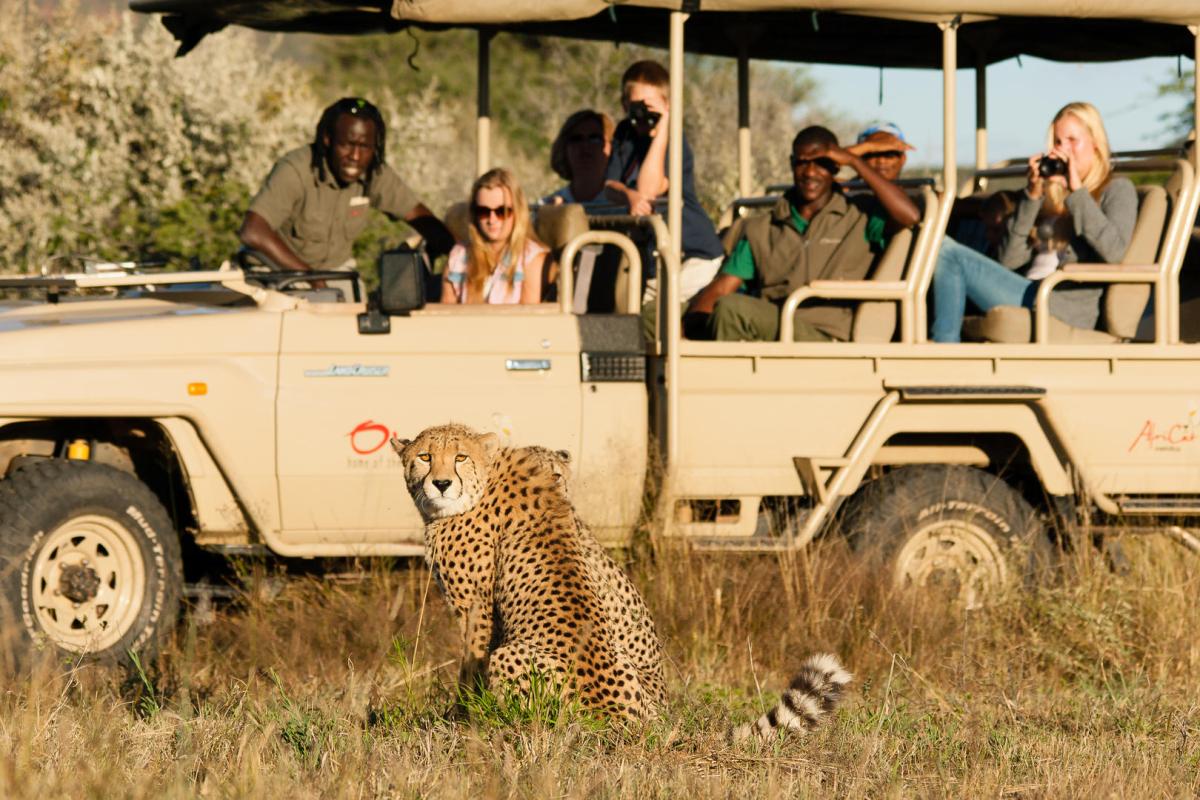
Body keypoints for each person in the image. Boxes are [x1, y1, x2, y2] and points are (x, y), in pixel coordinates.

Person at [686, 126, 920, 342]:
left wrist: (855, 161)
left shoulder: (860, 216)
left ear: (836, 167)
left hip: (825, 334)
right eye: (802, 163)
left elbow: (909, 216)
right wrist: (684, 328)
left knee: (732, 309)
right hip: (774, 326)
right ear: (792, 163)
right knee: (673, 312)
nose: (810, 173)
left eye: (821, 164)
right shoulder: (763, 227)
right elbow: (723, 287)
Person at [930, 102, 1136, 343]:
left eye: (1072, 140)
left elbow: (1114, 252)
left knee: (947, 252)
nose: (1064, 150)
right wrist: (1032, 195)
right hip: (1030, 290)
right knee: (937, 245)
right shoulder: (1052, 195)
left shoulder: (1117, 189)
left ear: (1095, 143)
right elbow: (1008, 260)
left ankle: (944, 349)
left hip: (1061, 304)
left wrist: (1077, 191)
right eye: (1058, 142)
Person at [239, 97, 453, 274]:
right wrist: (309, 278)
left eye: (365, 147)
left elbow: (417, 215)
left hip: (336, 274)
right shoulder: (295, 170)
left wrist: (460, 256)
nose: (355, 156)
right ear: (327, 139)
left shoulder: (373, 172)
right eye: (347, 145)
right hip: (276, 274)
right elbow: (253, 232)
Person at [604, 60, 726, 304]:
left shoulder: (674, 140)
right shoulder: (624, 132)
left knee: (654, 314)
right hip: (655, 256)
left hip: (692, 255)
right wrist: (628, 195)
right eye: (635, 107)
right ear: (624, 105)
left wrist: (662, 130)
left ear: (667, 105)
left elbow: (650, 190)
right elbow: (609, 186)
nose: (642, 115)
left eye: (649, 107)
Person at [441, 168, 549, 305]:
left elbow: (529, 315)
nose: (492, 220)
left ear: (518, 211)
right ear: (474, 213)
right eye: (483, 211)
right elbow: (446, 312)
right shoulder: (458, 256)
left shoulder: (531, 260)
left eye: (501, 211)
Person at [544, 110, 615, 205]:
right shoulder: (549, 206)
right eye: (576, 139)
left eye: (595, 138)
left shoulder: (625, 204)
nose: (585, 146)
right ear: (564, 148)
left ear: (611, 146)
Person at [848, 122, 913, 183]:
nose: (881, 161)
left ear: (903, 159)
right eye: (873, 154)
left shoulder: (914, 190)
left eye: (889, 155)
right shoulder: (847, 189)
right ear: (861, 158)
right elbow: (843, 157)